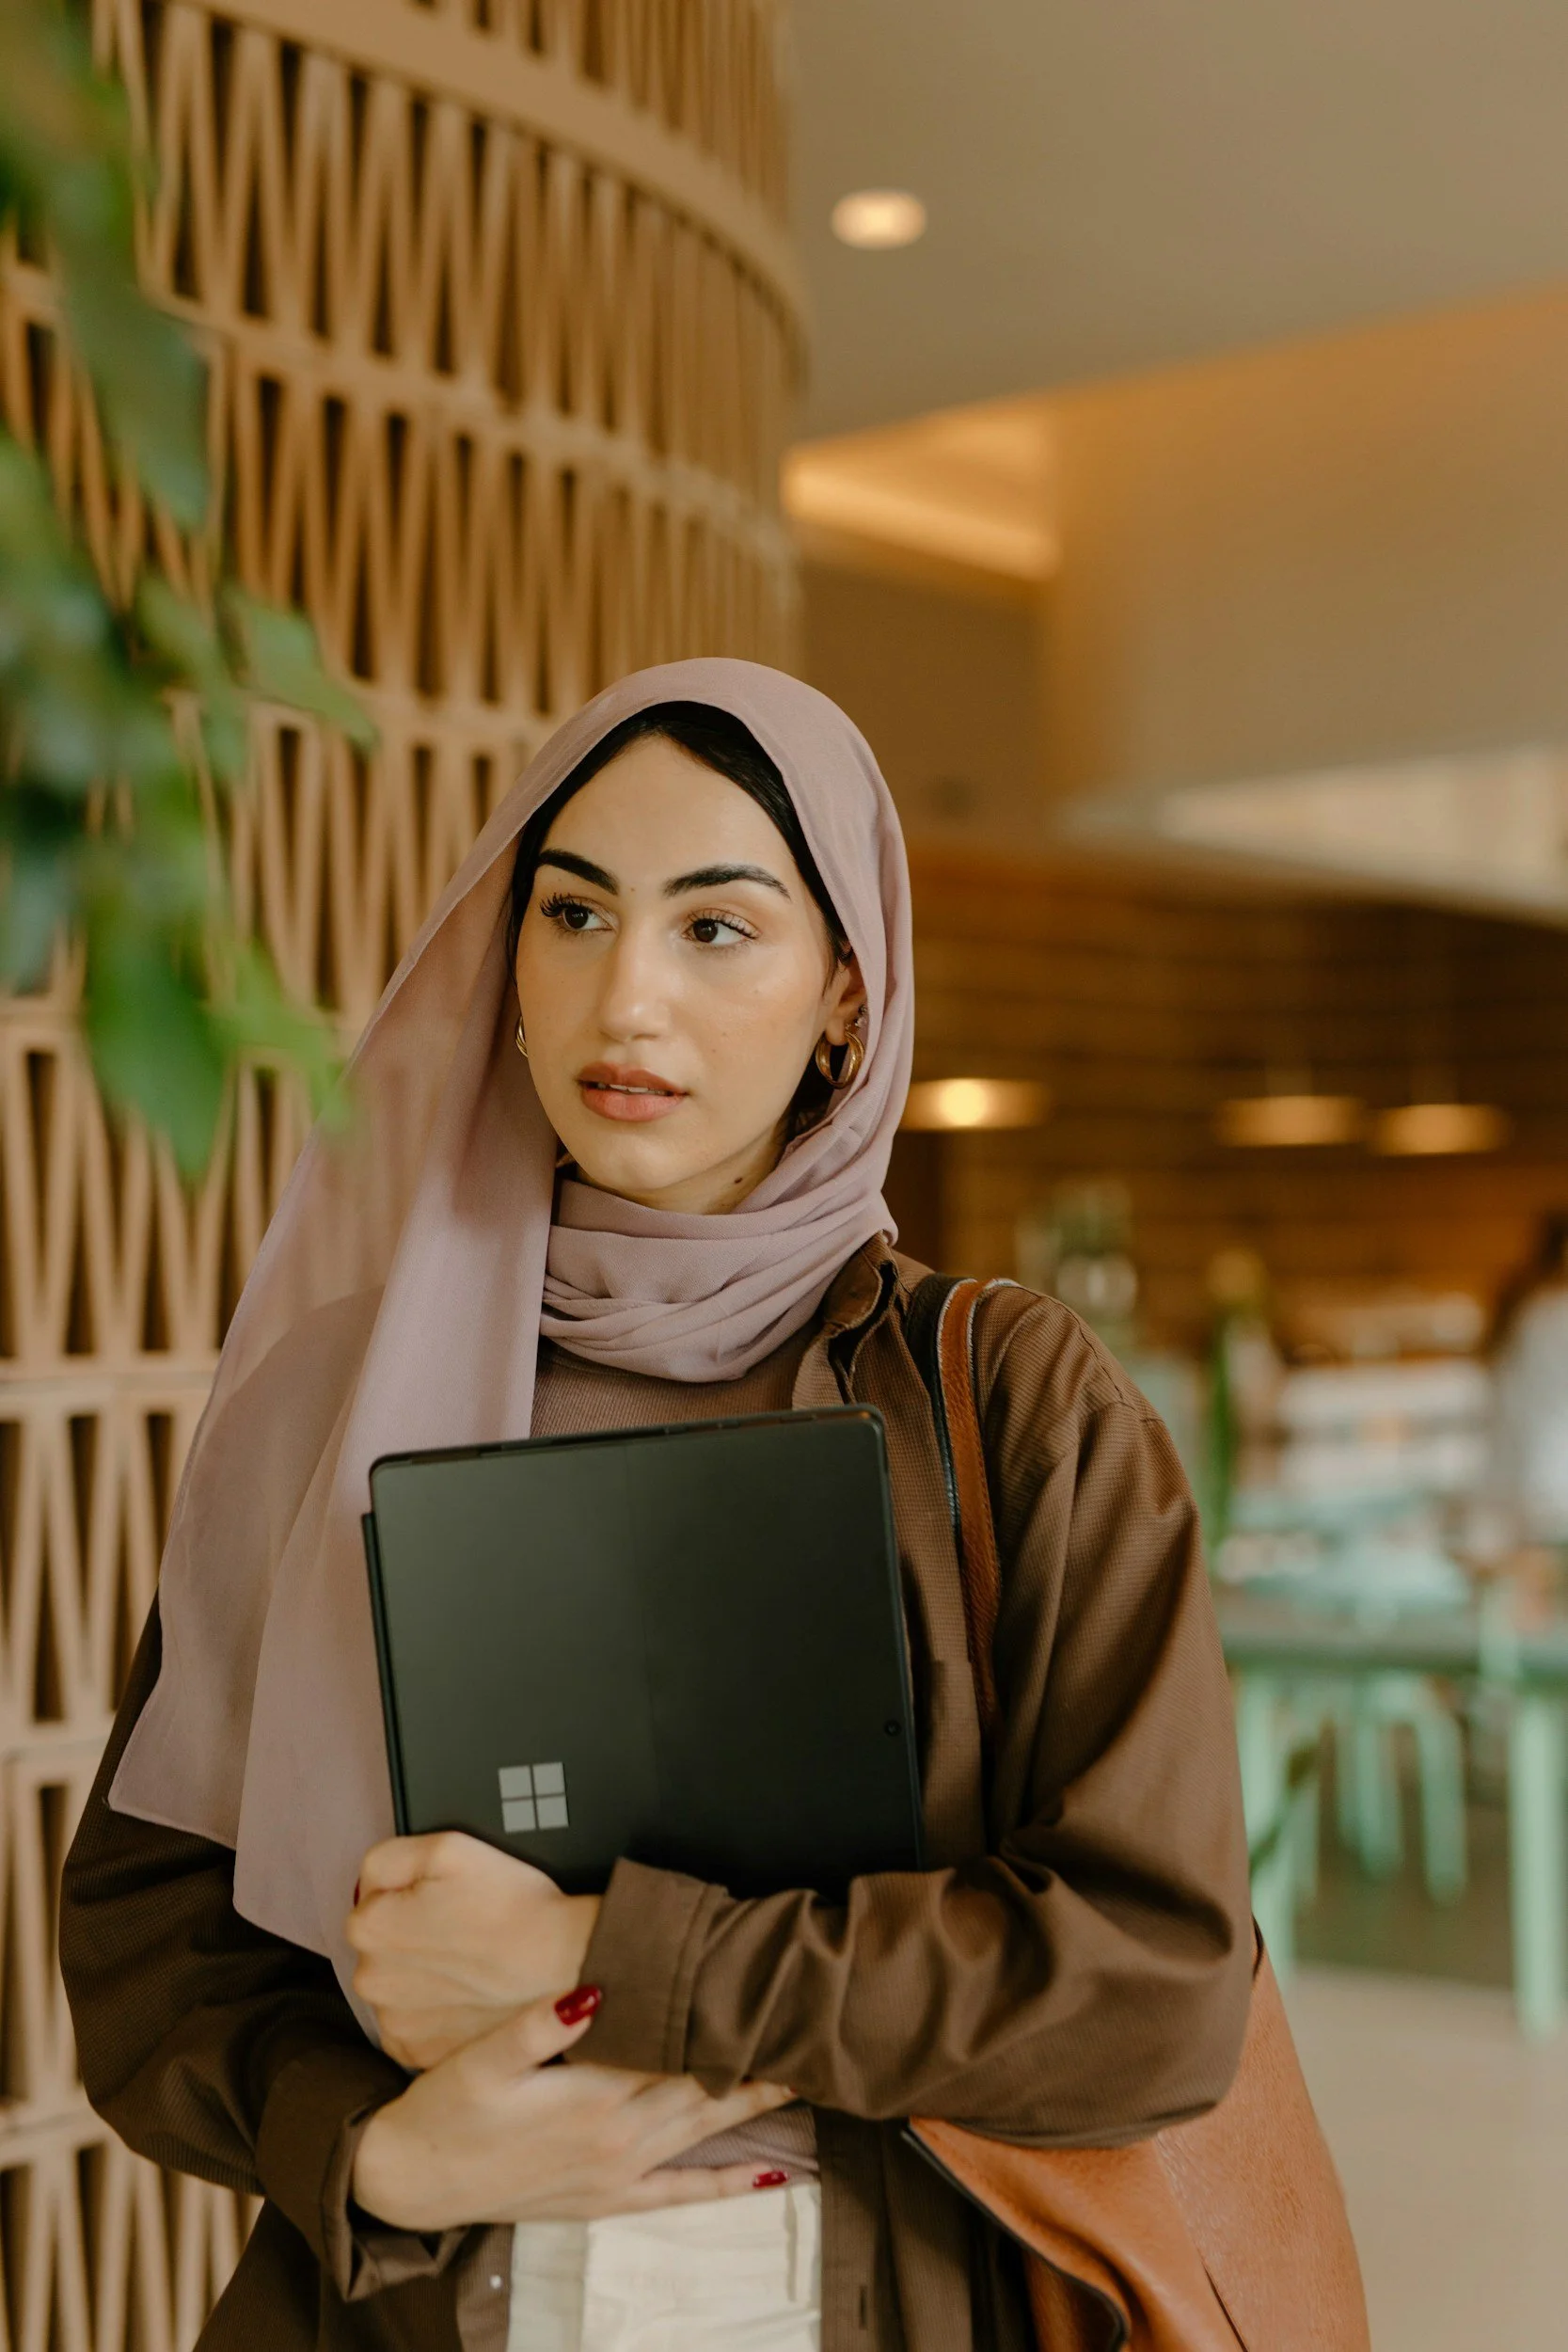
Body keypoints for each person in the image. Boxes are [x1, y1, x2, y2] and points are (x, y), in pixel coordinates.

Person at [59, 660, 1251, 2352]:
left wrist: (598, 1952)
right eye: (573, 913)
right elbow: (142, 1954)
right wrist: (382, 2152)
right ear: (510, 966)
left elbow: (1149, 1994)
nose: (627, 1000)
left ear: (847, 993)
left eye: (716, 928)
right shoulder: (331, 1403)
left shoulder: (1006, 1402)